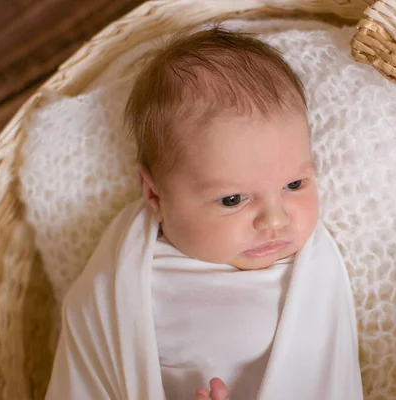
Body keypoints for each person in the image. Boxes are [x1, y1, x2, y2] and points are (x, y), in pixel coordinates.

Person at [45, 26, 363, 400]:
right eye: (232, 200)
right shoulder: (121, 277)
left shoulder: (312, 277)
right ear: (154, 195)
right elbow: (92, 367)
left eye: (294, 185)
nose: (275, 220)